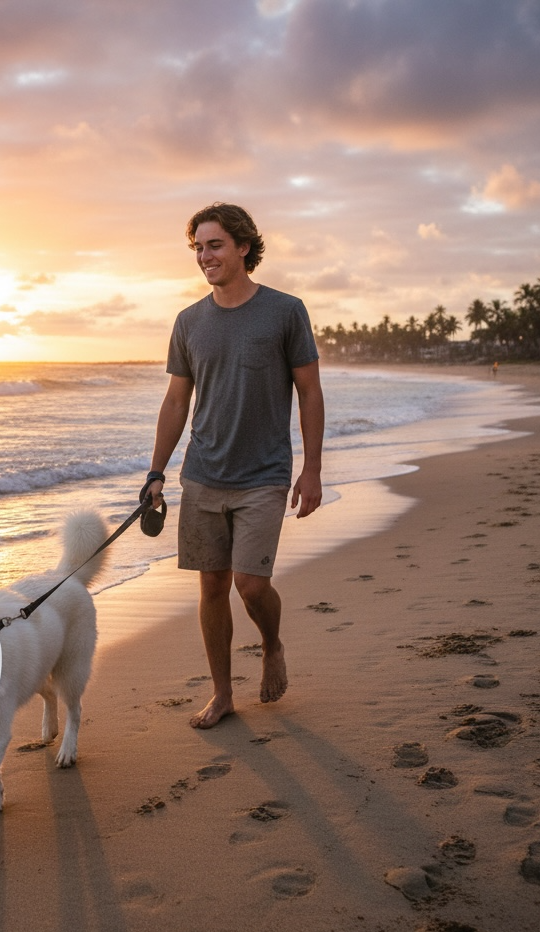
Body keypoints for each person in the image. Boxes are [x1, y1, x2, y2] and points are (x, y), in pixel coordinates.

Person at [145, 202, 325, 729]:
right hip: (202, 473)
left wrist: (311, 468)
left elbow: (310, 392)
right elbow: (177, 402)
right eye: (198, 247)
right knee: (211, 588)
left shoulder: (285, 311)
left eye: (215, 244)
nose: (204, 256)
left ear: (244, 246)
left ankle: (271, 643)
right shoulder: (189, 321)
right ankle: (222, 693)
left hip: (264, 475)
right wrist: (156, 473)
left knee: (249, 584)